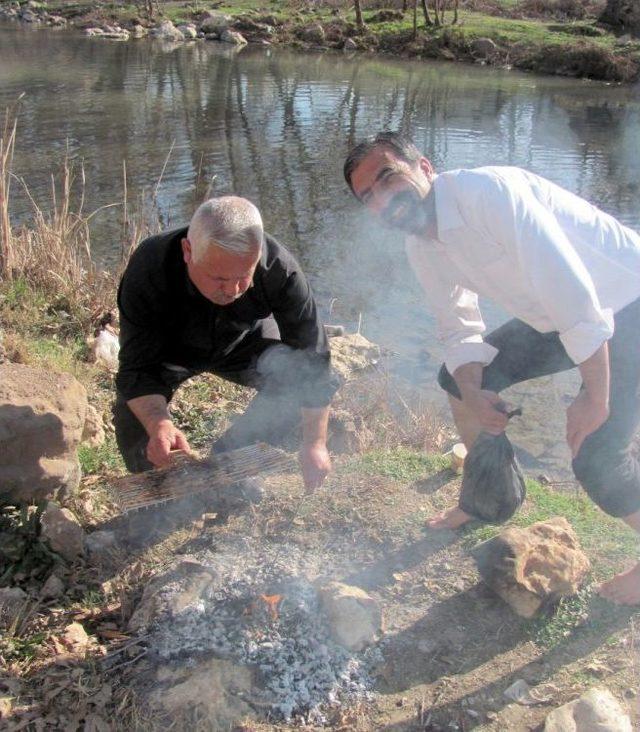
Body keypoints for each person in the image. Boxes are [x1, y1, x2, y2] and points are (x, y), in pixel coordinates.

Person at [344, 131, 640, 605]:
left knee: (598, 458)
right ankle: (486, 495)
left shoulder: (489, 195)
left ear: (424, 168)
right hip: (558, 315)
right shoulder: (422, 246)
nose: (383, 197)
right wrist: (474, 390)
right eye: (369, 196)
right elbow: (459, 329)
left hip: (627, 303)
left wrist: (593, 396)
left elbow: (576, 298)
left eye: (388, 177)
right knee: (459, 381)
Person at [114, 195, 339, 492]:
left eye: (244, 276)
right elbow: (137, 369)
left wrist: (315, 443)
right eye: (218, 278)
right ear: (187, 251)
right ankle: (162, 481)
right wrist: (159, 424)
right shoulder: (150, 268)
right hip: (170, 349)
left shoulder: (279, 269)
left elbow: (312, 360)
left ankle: (231, 459)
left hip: (243, 340)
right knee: (135, 417)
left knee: (292, 377)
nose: (233, 290)